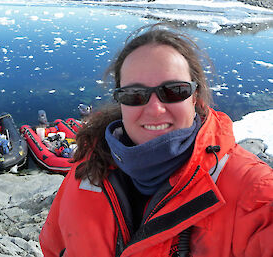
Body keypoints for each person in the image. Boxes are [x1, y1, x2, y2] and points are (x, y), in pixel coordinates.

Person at [39, 23, 273, 257]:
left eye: (174, 91)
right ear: (121, 102)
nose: (155, 109)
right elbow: (54, 246)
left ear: (195, 97)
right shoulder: (86, 172)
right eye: (134, 95)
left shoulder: (254, 193)